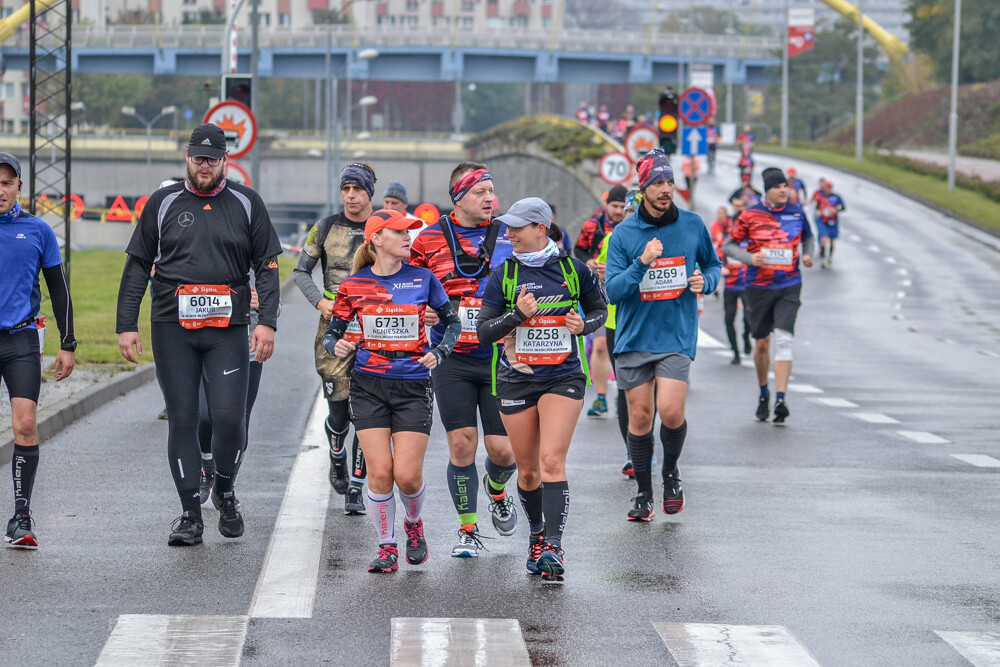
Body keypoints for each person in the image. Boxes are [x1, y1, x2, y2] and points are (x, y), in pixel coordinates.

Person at [116, 123, 281, 546]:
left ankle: (224, 489)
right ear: (186, 157)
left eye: (211, 158)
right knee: (184, 420)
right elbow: (137, 264)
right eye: (197, 157)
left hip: (228, 328)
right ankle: (190, 513)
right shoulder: (163, 201)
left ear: (225, 161)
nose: (203, 165)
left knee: (228, 419)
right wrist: (126, 324)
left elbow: (267, 265)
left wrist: (267, 322)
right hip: (173, 327)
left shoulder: (247, 202)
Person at [322, 209, 461, 572]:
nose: (407, 237)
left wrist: (440, 352)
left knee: (407, 476)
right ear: (377, 240)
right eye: (399, 232)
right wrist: (335, 345)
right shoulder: (354, 285)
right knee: (380, 473)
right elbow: (331, 332)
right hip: (368, 384)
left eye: (408, 232)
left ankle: (413, 525)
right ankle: (387, 547)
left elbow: (453, 323)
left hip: (413, 384)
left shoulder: (423, 278)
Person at [476, 197, 607, 583]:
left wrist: (584, 326)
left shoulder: (572, 269)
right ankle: (536, 536)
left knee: (552, 461)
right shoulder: (504, 274)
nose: (509, 233)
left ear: (541, 229)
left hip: (562, 377)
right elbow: (484, 332)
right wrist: (518, 315)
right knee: (529, 472)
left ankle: (553, 545)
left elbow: (599, 309)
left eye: (517, 227)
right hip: (516, 378)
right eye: (508, 227)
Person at [409, 162, 519, 558]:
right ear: (459, 197)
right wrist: (424, 311)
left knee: (505, 452)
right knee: (461, 445)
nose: (490, 198)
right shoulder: (427, 240)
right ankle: (468, 529)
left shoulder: (511, 233)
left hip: (499, 358)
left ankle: (497, 488)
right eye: (480, 192)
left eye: (492, 191)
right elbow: (411, 290)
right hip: (451, 358)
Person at [605, 148, 721, 522]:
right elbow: (615, 291)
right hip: (635, 338)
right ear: (643, 189)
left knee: (670, 411)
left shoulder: (692, 224)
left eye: (669, 182)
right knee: (639, 418)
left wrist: (708, 281)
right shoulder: (624, 234)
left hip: (675, 333)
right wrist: (642, 262)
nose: (665, 189)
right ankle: (643, 492)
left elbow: (714, 264)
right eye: (657, 183)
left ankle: (671, 473)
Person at [0, 152, 76, 549]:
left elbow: (59, 289)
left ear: (18, 188)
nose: (0, 190)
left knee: (25, 423)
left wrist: (68, 343)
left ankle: (21, 516)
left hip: (20, 338)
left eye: (6, 183)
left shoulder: (38, 230)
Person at [293, 163, 376, 514]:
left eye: (358, 189)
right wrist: (321, 301)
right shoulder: (325, 227)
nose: (351, 195)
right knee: (340, 413)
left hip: (377, 329)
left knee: (367, 413)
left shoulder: (381, 227)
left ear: (369, 191)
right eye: (346, 189)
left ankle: (356, 487)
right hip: (335, 329)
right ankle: (337, 453)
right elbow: (300, 271)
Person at [724, 167, 814, 424]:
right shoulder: (750, 215)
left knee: (784, 340)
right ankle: (764, 392)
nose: (784, 190)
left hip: (789, 284)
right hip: (758, 287)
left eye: (786, 185)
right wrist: (750, 258)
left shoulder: (797, 212)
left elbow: (808, 238)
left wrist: (808, 255)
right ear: (768, 191)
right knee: (762, 343)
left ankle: (781, 399)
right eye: (778, 187)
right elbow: (729, 245)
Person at [595, 188, 642, 479]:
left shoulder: (662, 241)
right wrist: (600, 273)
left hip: (652, 322)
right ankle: (632, 452)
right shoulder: (612, 239)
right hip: (617, 323)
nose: (630, 218)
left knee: (652, 392)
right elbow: (601, 275)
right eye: (627, 213)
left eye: (635, 213)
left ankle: (646, 442)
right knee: (626, 389)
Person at [574, 185, 627, 418]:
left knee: (623, 348)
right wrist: (589, 263)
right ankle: (602, 397)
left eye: (622, 207)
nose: (618, 211)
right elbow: (579, 249)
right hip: (598, 292)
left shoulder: (632, 227)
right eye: (614, 206)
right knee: (600, 345)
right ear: (606, 204)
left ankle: (625, 395)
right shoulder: (592, 226)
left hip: (624, 293)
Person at [713, 207, 752, 365]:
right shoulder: (726, 242)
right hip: (730, 286)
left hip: (746, 286)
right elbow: (715, 260)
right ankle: (735, 351)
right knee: (729, 319)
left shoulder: (751, 242)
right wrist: (720, 268)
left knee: (748, 319)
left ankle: (746, 337)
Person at [811, 180, 845, 268]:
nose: (828, 189)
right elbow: (817, 206)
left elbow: (843, 207)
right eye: (826, 188)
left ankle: (830, 257)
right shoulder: (821, 196)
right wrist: (818, 211)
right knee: (824, 239)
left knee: (832, 241)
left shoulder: (836, 197)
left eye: (830, 188)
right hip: (823, 221)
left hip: (833, 221)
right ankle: (823, 259)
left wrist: (835, 210)